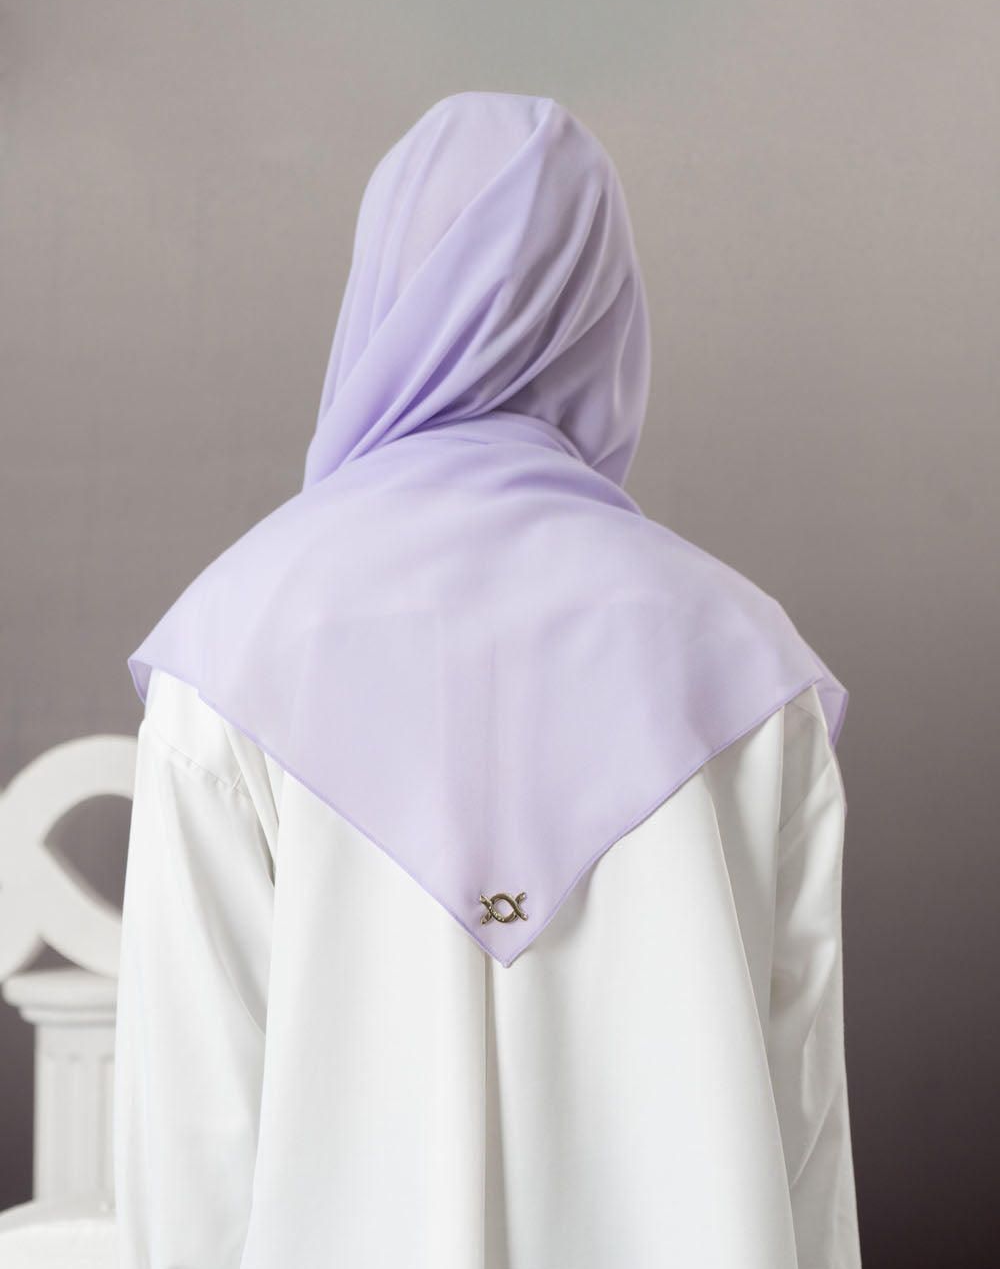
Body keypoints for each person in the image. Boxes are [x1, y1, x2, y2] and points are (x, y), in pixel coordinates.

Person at [113, 91, 863, 1268]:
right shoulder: (747, 661)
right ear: (607, 313)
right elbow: (803, 1123)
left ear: (381, 292)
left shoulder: (233, 648)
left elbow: (191, 1135)